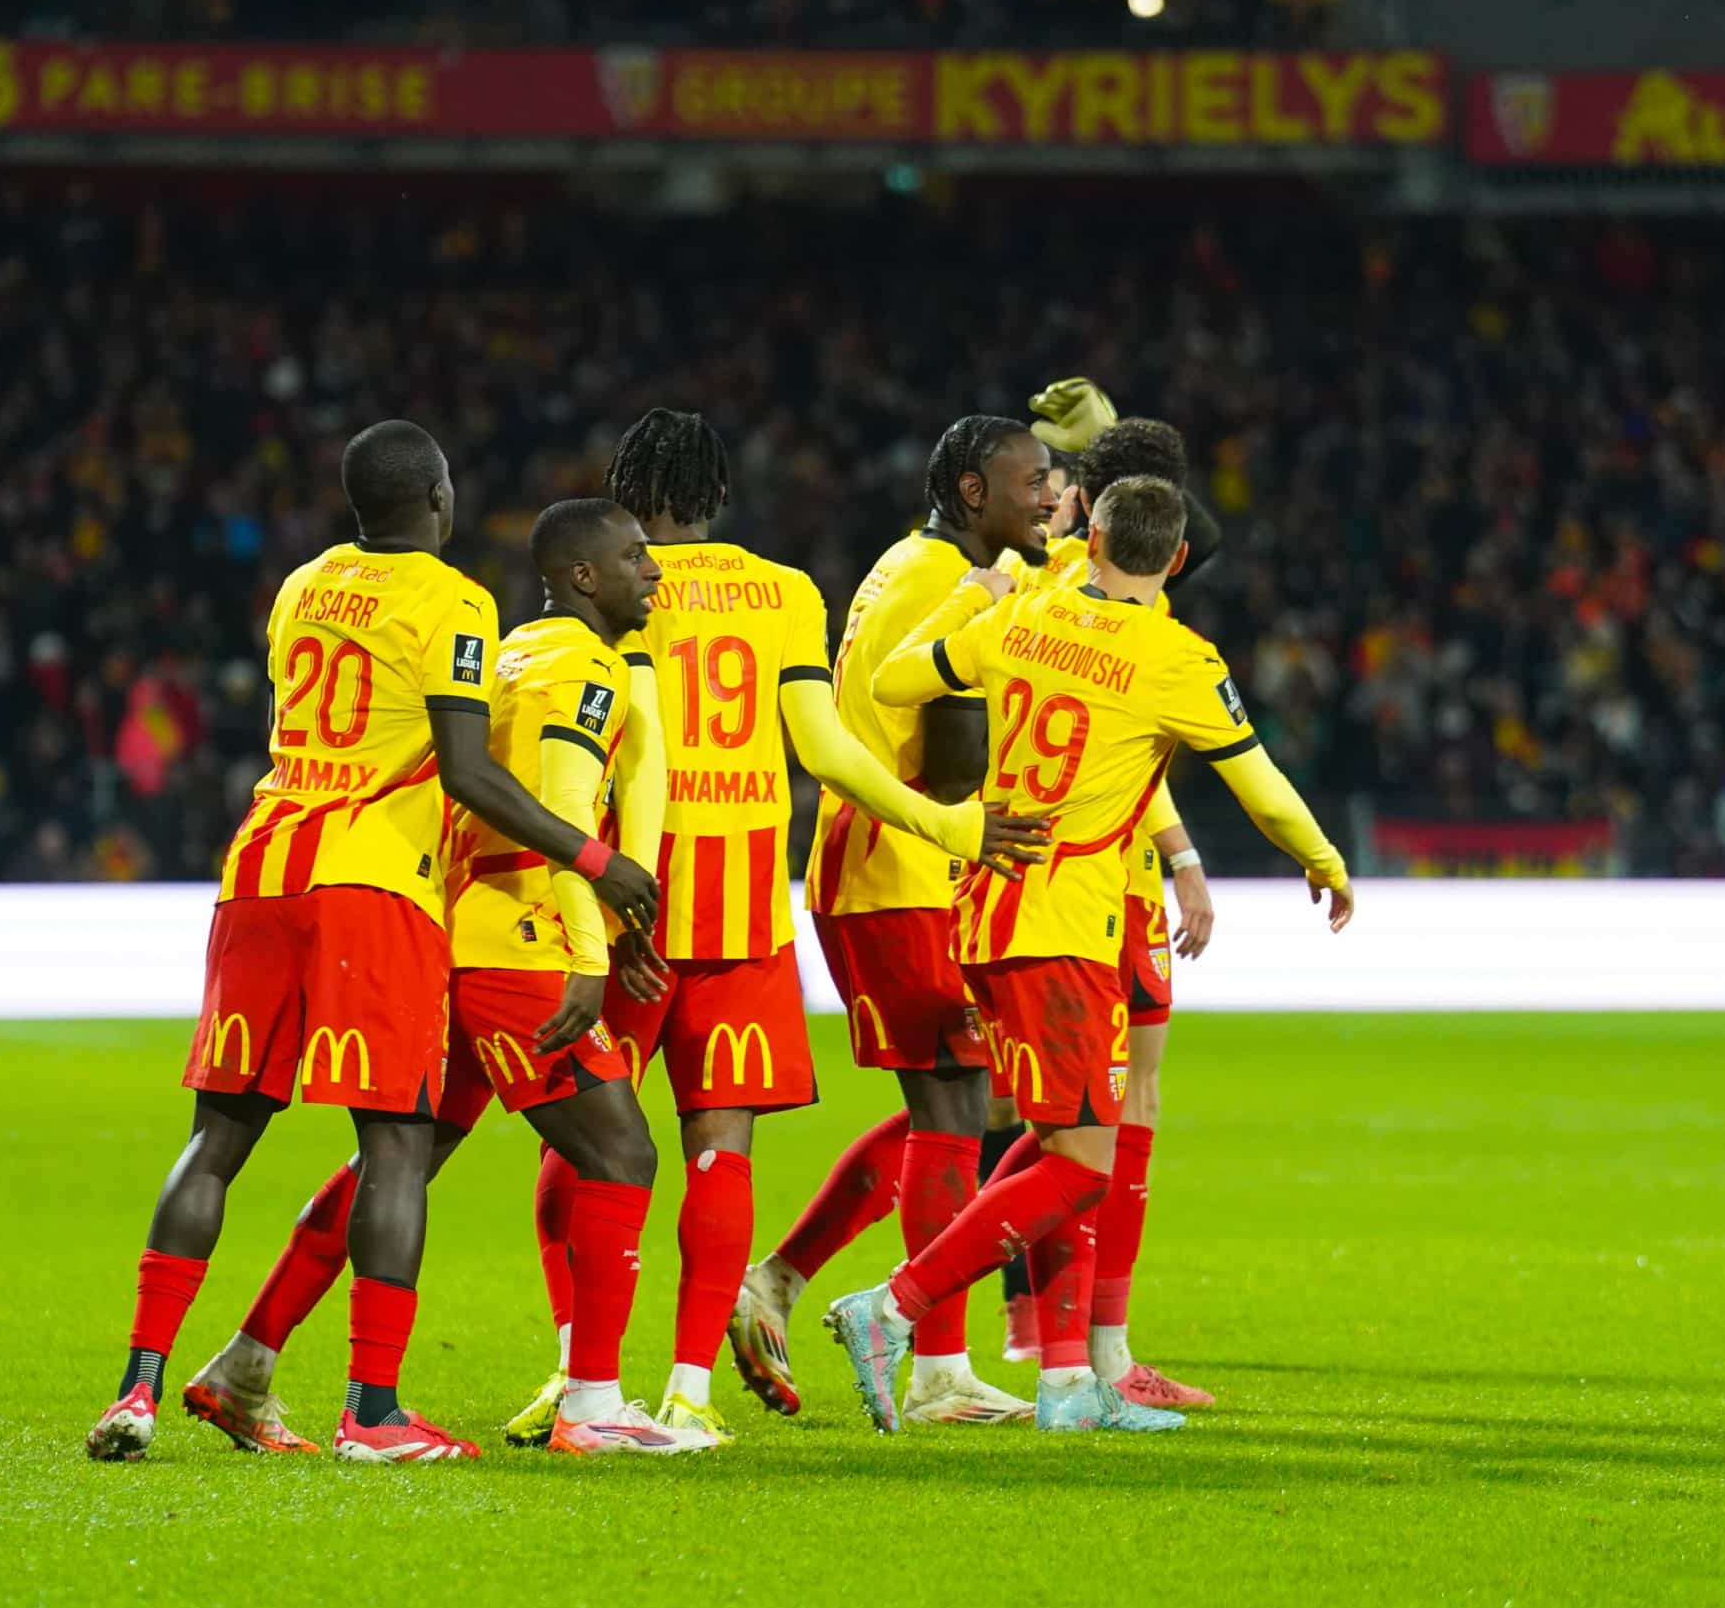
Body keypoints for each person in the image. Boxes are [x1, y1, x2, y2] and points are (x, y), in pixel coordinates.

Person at [82, 424, 661, 1467]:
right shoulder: (455, 602)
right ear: (437, 497)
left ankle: (138, 1390)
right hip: (371, 879)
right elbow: (467, 772)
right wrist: (597, 859)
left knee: (218, 1135)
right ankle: (375, 1411)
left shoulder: (301, 585)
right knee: (396, 1139)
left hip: (261, 861)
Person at [821, 474, 1353, 1434]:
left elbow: (893, 679)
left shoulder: (1024, 612)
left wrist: (970, 593)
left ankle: (1067, 1388)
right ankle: (888, 1309)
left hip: (989, 907)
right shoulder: (1178, 656)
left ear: (1092, 533)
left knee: (1063, 1141)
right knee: (1082, 1166)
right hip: (1062, 925)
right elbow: (1262, 787)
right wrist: (1322, 858)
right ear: (1178, 560)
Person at [563, 406, 1048, 1444]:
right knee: (726, 1148)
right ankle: (693, 1388)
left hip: (634, 895)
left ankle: (580, 1375)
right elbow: (827, 748)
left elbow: (621, 745)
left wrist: (605, 870)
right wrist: (951, 824)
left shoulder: (609, 581)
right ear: (722, 493)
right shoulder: (784, 591)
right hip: (755, 896)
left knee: (586, 1139)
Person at [727, 415, 1061, 1428]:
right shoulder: (942, 585)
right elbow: (955, 762)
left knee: (961, 1104)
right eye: (1031, 480)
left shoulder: (911, 563)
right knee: (961, 1106)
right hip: (900, 867)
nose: (1047, 496)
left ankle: (782, 1282)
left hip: (886, 863)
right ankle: (935, 1370)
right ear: (972, 491)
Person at [982, 389, 1226, 1407]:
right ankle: (1010, 1326)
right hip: (1046, 879)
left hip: (1115, 875)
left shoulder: (1112, 592)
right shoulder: (1030, 584)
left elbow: (1120, 746)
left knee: (1115, 1110)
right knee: (1031, 1117)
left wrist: (1176, 854)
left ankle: (1094, 1348)